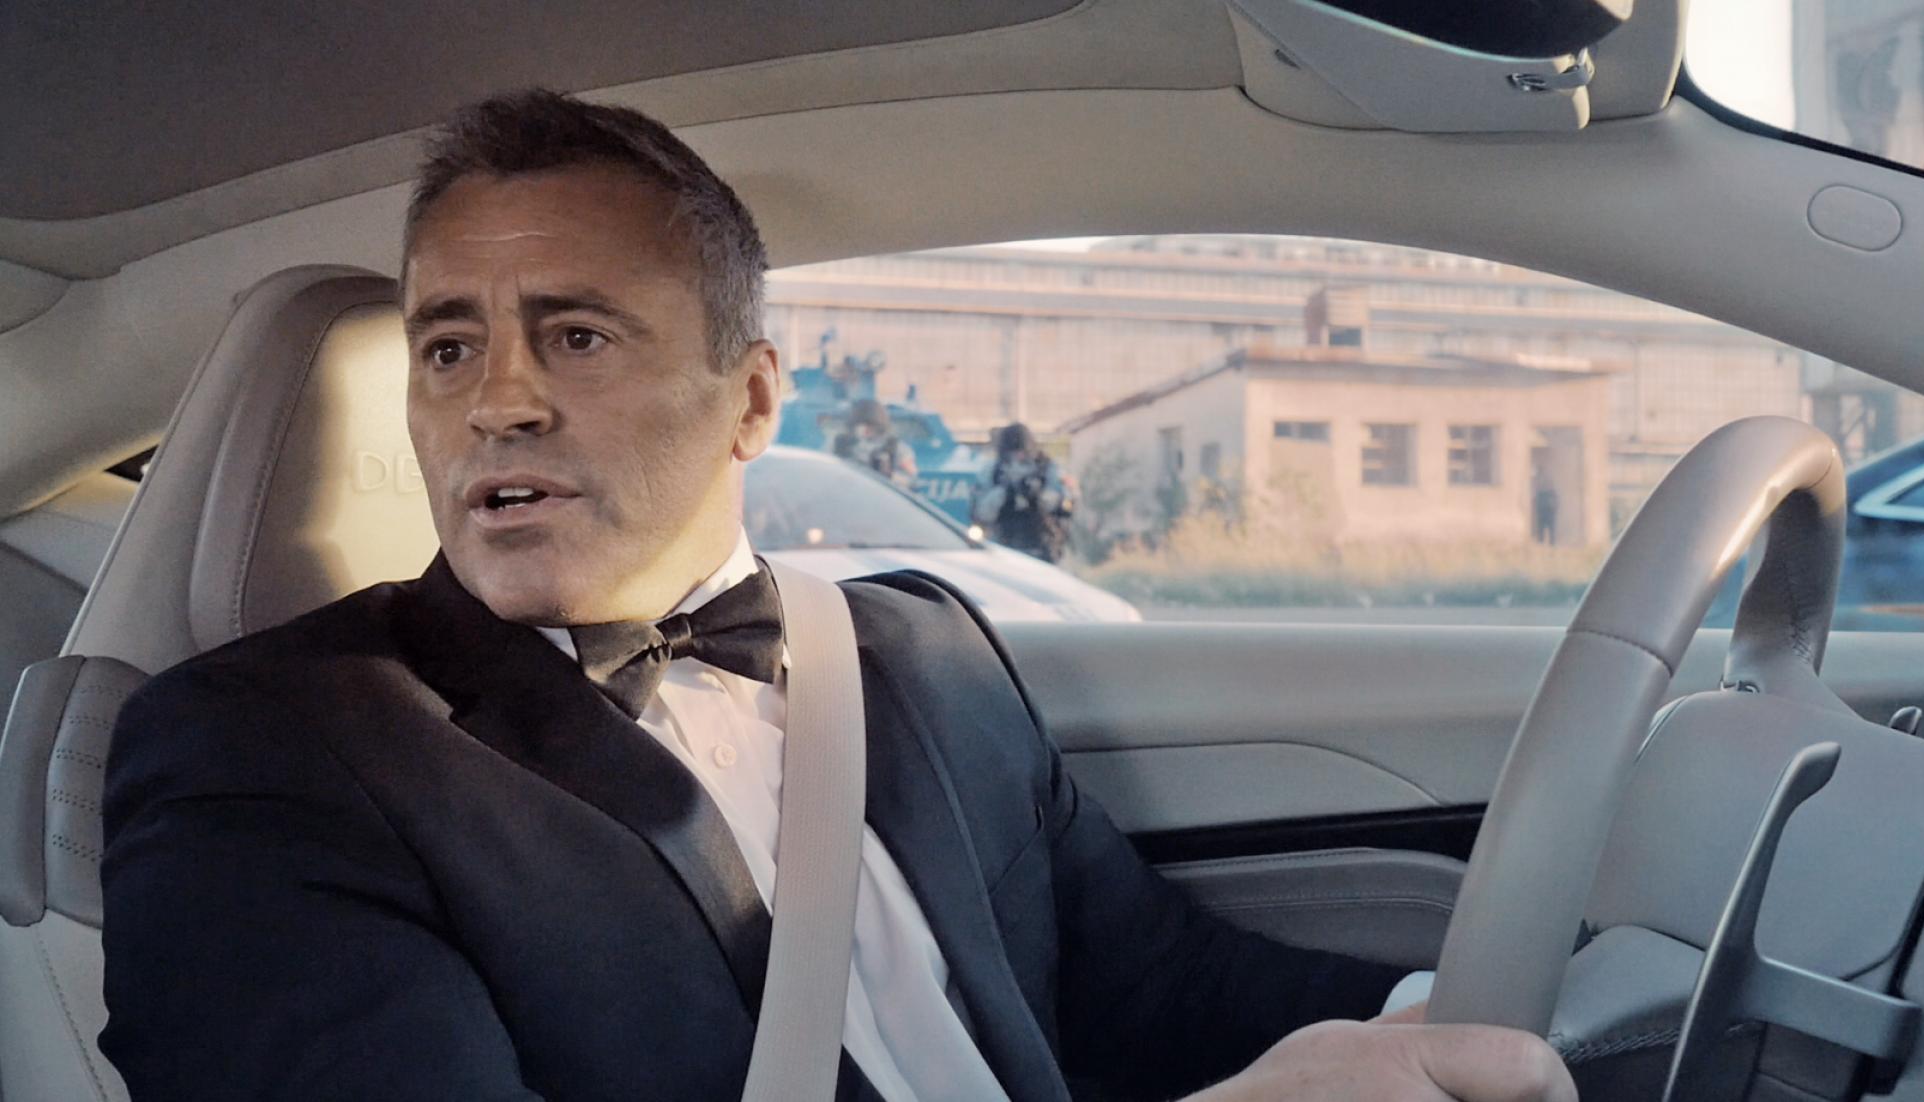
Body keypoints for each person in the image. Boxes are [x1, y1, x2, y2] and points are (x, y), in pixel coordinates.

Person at [98, 90, 1574, 1102]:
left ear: (750, 401)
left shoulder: (921, 649)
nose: (500, 402)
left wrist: (1451, 1022)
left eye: (577, 335)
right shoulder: (262, 750)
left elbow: (1151, 982)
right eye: (448, 349)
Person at [975, 422, 1074, 563]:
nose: (1019, 457)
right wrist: (1005, 492)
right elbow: (981, 512)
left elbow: (1063, 504)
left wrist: (1037, 494)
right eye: (1013, 453)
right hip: (1002, 547)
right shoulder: (992, 471)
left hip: (1044, 545)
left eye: (1023, 453)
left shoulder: (1047, 468)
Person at [834, 396, 918, 489]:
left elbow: (912, 481)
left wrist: (889, 475)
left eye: (870, 426)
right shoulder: (839, 445)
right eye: (860, 426)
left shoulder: (896, 448)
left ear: (879, 426)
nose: (865, 430)